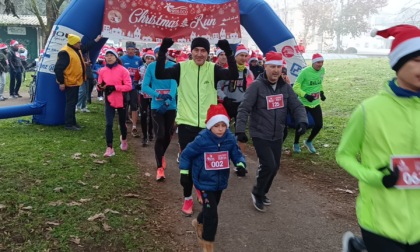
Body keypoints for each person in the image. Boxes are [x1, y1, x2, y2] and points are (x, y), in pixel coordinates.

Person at [337, 24, 420, 252]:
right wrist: (375, 177)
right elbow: (343, 155)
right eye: (418, 60)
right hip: (379, 221)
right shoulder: (368, 110)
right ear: (398, 62)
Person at [155, 37, 238, 216]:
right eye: (197, 50)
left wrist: (229, 52)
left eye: (203, 51)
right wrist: (163, 50)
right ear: (191, 51)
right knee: (187, 167)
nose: (200, 54)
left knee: (207, 165)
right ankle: (187, 198)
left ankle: (200, 188)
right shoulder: (181, 68)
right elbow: (160, 73)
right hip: (187, 125)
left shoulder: (213, 69)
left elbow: (233, 75)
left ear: (208, 54)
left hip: (208, 128)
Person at [235, 51, 308, 212]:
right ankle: (257, 192)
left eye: (278, 67)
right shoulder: (256, 86)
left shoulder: (285, 87)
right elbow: (244, 108)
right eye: (272, 66)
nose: (275, 70)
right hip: (260, 132)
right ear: (265, 67)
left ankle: (262, 192)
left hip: (278, 133)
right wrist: (240, 130)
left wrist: (302, 121)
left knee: (274, 167)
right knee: (269, 164)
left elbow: (296, 105)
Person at [180, 104, 246, 251]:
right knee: (212, 214)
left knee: (211, 207)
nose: (221, 129)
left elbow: (236, 153)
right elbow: (186, 154)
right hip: (203, 182)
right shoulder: (201, 140)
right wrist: (184, 173)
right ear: (210, 125)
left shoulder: (229, 138)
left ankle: (198, 221)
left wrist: (241, 164)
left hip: (220, 182)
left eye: (223, 125)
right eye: (217, 125)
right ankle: (207, 243)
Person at [141, 49, 177, 181]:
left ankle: (161, 155)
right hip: (156, 106)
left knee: (168, 134)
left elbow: (175, 85)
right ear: (156, 55)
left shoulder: (173, 66)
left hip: (171, 106)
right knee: (160, 134)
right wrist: (159, 95)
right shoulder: (151, 67)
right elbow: (145, 86)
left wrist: (168, 100)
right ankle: (159, 168)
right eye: (159, 54)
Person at [54, 34, 102, 130]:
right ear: (73, 43)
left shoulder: (76, 49)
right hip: (70, 81)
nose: (80, 44)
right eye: (78, 42)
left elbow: (85, 49)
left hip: (75, 81)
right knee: (71, 103)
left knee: (73, 102)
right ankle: (69, 124)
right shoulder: (65, 52)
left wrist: (96, 40)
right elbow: (58, 69)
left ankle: (73, 122)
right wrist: (61, 83)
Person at [97, 49, 132, 157]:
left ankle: (124, 140)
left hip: (122, 100)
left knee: (122, 123)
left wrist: (115, 87)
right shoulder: (102, 71)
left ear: (116, 57)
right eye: (107, 55)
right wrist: (101, 87)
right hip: (109, 99)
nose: (109, 57)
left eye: (111, 55)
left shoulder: (123, 70)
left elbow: (129, 86)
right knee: (109, 124)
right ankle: (109, 148)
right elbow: (100, 85)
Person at [292, 53, 326, 153]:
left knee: (319, 124)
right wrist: (306, 95)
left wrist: (322, 92)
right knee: (301, 125)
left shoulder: (322, 70)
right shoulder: (305, 72)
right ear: (313, 62)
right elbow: (295, 87)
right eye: (318, 62)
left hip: (315, 103)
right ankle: (296, 143)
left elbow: (319, 83)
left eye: (322, 62)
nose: (320, 64)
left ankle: (309, 141)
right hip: (303, 103)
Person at [217, 44, 254, 131]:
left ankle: (238, 143)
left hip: (241, 105)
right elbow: (217, 87)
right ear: (236, 56)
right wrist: (225, 98)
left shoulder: (247, 71)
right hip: (228, 104)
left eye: (245, 56)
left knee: (240, 130)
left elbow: (250, 88)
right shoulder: (227, 70)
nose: (243, 58)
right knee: (224, 129)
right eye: (241, 55)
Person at [120, 41, 143, 137]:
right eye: (129, 49)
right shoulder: (121, 59)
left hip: (134, 86)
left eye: (132, 49)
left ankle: (134, 125)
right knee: (123, 104)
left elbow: (142, 71)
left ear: (135, 50)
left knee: (134, 105)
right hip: (124, 85)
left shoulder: (139, 59)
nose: (130, 51)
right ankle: (123, 123)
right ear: (126, 50)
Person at [137, 50, 155, 145]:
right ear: (145, 58)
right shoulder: (140, 68)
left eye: (152, 59)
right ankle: (144, 136)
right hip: (143, 94)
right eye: (148, 58)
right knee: (143, 114)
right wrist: (137, 85)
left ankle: (150, 132)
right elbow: (136, 80)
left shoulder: (157, 69)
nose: (149, 60)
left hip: (153, 95)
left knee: (152, 114)